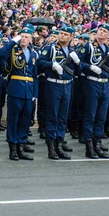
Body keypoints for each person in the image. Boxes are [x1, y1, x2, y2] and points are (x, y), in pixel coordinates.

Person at [38, 25, 81, 160]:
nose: (62, 35)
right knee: (53, 116)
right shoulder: (51, 48)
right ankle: (51, 147)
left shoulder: (72, 51)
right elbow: (39, 62)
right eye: (61, 33)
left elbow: (78, 73)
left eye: (65, 34)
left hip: (67, 86)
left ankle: (59, 144)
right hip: (53, 85)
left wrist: (78, 62)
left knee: (63, 117)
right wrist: (51, 65)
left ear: (71, 37)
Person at [0, 27, 39, 161]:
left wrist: (35, 92)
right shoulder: (13, 50)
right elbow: (1, 54)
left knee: (25, 120)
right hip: (16, 89)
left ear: (31, 39)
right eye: (22, 36)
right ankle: (13, 149)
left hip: (28, 91)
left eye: (27, 37)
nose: (24, 39)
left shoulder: (33, 53)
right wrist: (12, 42)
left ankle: (21, 146)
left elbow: (34, 74)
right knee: (13, 120)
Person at [77, 24, 109, 159]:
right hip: (92, 82)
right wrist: (91, 67)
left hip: (105, 84)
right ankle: (89, 147)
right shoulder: (89, 47)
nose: (101, 32)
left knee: (101, 117)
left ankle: (97, 144)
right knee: (90, 116)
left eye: (104, 31)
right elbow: (78, 62)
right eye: (100, 30)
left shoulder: (108, 50)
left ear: (108, 35)